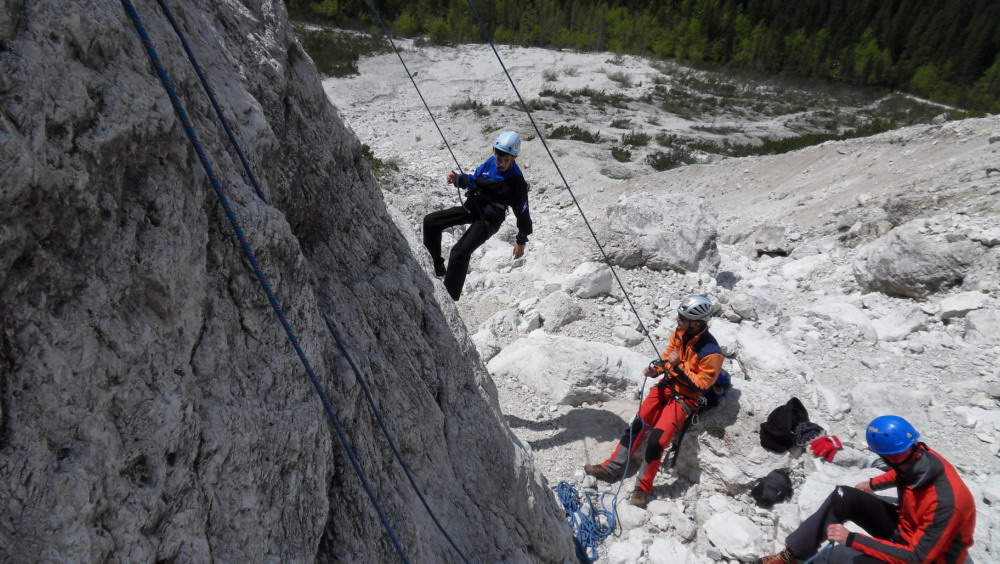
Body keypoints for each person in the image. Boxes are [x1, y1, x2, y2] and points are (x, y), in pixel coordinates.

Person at [756, 415, 976, 564]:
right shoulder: (917, 456)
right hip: (903, 530)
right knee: (844, 496)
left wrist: (852, 539)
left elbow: (918, 557)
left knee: (843, 558)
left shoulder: (947, 504)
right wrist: (872, 485)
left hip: (927, 557)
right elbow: (902, 472)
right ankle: (791, 557)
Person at [584, 295, 724, 508]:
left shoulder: (712, 353)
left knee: (658, 440)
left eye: (682, 318)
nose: (677, 320)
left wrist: (677, 367)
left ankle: (642, 487)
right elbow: (667, 357)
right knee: (637, 425)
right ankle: (612, 468)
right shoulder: (680, 333)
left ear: (696, 324)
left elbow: (701, 385)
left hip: (685, 398)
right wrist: (656, 370)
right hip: (666, 386)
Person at [422, 131, 532, 300]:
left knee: (459, 253)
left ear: (514, 158)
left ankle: (448, 298)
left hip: (491, 217)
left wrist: (521, 240)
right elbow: (475, 180)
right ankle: (436, 268)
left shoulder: (516, 181)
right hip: (475, 205)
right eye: (499, 158)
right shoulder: (490, 163)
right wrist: (458, 180)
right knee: (430, 222)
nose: (501, 163)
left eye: (506, 160)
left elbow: (523, 212)